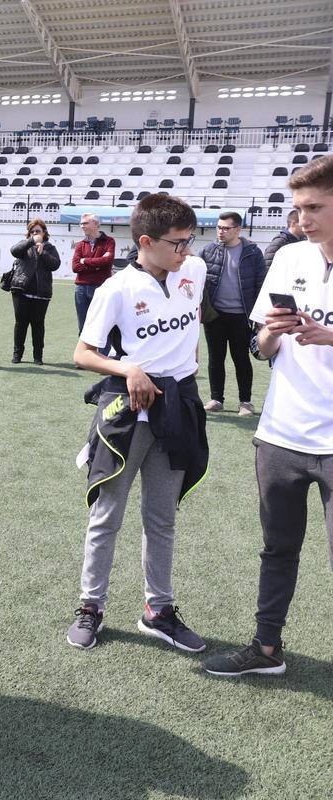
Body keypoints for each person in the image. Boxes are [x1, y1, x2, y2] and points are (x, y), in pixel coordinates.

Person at [201, 157, 333, 677]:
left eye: (316, 207)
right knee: (277, 549)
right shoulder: (289, 257)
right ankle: (266, 649)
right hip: (280, 436)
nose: (303, 219)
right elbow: (261, 345)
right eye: (298, 208)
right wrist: (275, 331)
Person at [67, 193, 208, 653]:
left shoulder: (195, 272)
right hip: (129, 415)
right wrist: (129, 370)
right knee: (106, 515)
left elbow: (191, 336)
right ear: (145, 241)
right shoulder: (116, 289)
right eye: (178, 243)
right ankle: (91, 605)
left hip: (177, 410)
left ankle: (159, 610)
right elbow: (82, 354)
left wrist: (187, 380)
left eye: (190, 240)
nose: (187, 251)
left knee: (162, 518)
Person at [200, 211, 266, 416]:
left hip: (241, 316)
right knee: (215, 358)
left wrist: (260, 317)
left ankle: (245, 402)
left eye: (225, 228)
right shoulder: (208, 250)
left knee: (241, 359)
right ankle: (216, 399)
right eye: (219, 227)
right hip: (215, 316)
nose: (220, 231)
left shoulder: (253, 253)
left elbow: (260, 285)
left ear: (238, 229)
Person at [10, 218, 61, 365]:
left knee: (38, 324)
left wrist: (42, 253)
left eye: (37, 231)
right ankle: (17, 354)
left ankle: (38, 356)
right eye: (32, 231)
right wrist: (31, 241)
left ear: (44, 232)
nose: (34, 233)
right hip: (21, 291)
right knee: (21, 323)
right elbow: (14, 250)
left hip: (41, 293)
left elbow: (55, 264)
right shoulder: (25, 245)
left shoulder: (50, 248)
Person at [71, 212, 116, 332]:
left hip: (101, 287)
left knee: (102, 325)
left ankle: (102, 351)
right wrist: (97, 265)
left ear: (96, 224)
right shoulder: (80, 245)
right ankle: (84, 351)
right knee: (83, 326)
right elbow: (75, 267)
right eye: (80, 223)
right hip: (81, 289)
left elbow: (106, 261)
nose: (82, 226)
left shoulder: (109, 241)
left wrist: (84, 260)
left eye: (85, 223)